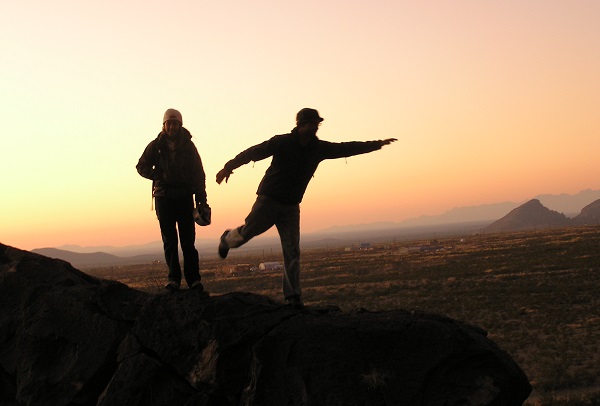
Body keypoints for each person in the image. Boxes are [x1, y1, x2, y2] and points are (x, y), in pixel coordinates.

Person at [215, 108, 397, 308]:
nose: (315, 128)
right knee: (245, 234)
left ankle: (293, 296)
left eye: (317, 124)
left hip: (291, 206)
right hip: (269, 200)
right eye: (312, 124)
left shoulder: (318, 149)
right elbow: (253, 152)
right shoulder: (282, 142)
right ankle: (227, 239)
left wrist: (376, 145)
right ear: (300, 125)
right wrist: (228, 167)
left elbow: (346, 148)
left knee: (292, 250)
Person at [136, 108, 209, 292]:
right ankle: (173, 280)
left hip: (184, 198)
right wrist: (156, 175)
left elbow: (198, 174)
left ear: (180, 125)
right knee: (170, 241)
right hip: (164, 199)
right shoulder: (156, 146)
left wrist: (201, 200)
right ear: (164, 125)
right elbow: (141, 166)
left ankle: (194, 280)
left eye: (175, 123)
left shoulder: (189, 146)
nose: (172, 126)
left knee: (187, 242)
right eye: (169, 123)